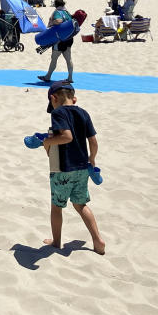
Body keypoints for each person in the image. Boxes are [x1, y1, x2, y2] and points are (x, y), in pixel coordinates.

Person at [39, 81, 105, 254]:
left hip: (63, 170)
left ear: (53, 98)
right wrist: (92, 159)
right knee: (81, 205)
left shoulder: (58, 113)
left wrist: (46, 142)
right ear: (74, 99)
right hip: (83, 168)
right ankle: (98, 240)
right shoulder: (83, 113)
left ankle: (56, 242)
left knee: (57, 207)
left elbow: (66, 137)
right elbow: (93, 142)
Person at [38, 0, 74, 83]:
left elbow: (59, 20)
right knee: (68, 59)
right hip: (69, 38)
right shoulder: (67, 12)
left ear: (55, 4)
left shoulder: (57, 12)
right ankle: (70, 78)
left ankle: (47, 77)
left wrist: (52, 23)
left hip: (59, 40)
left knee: (54, 58)